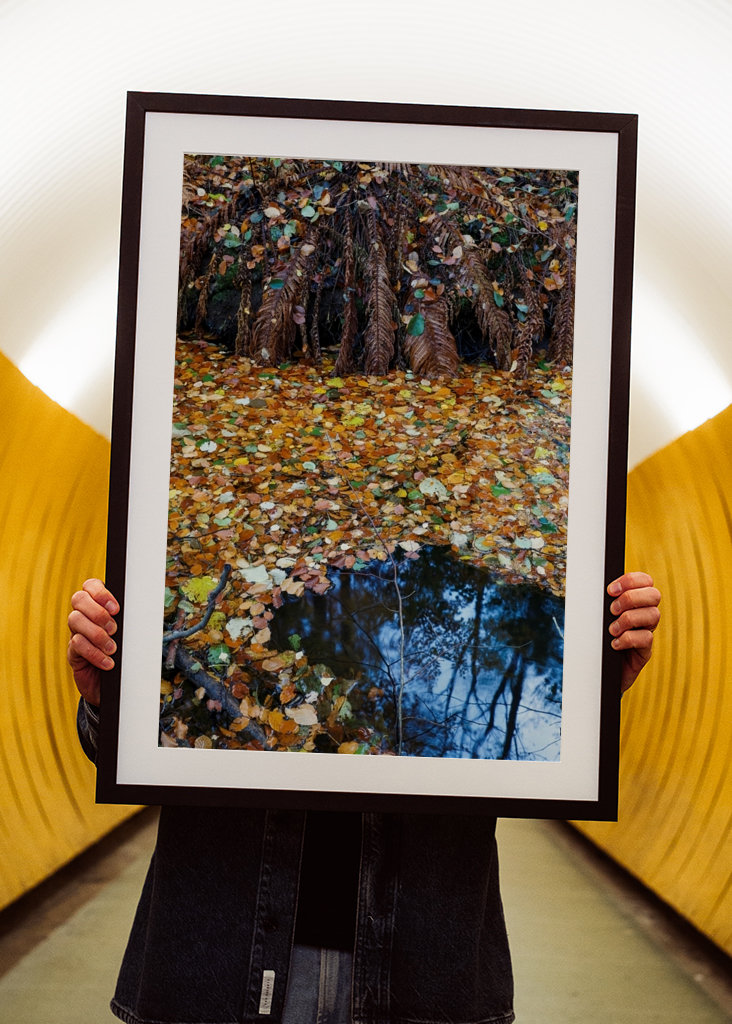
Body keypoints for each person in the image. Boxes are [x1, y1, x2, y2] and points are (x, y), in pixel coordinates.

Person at [68, 571, 661, 1024]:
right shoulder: (250, 612)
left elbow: (525, 741)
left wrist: (588, 694)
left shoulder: (449, 646)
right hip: (219, 957)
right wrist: (110, 701)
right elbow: (134, 747)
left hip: (423, 965)